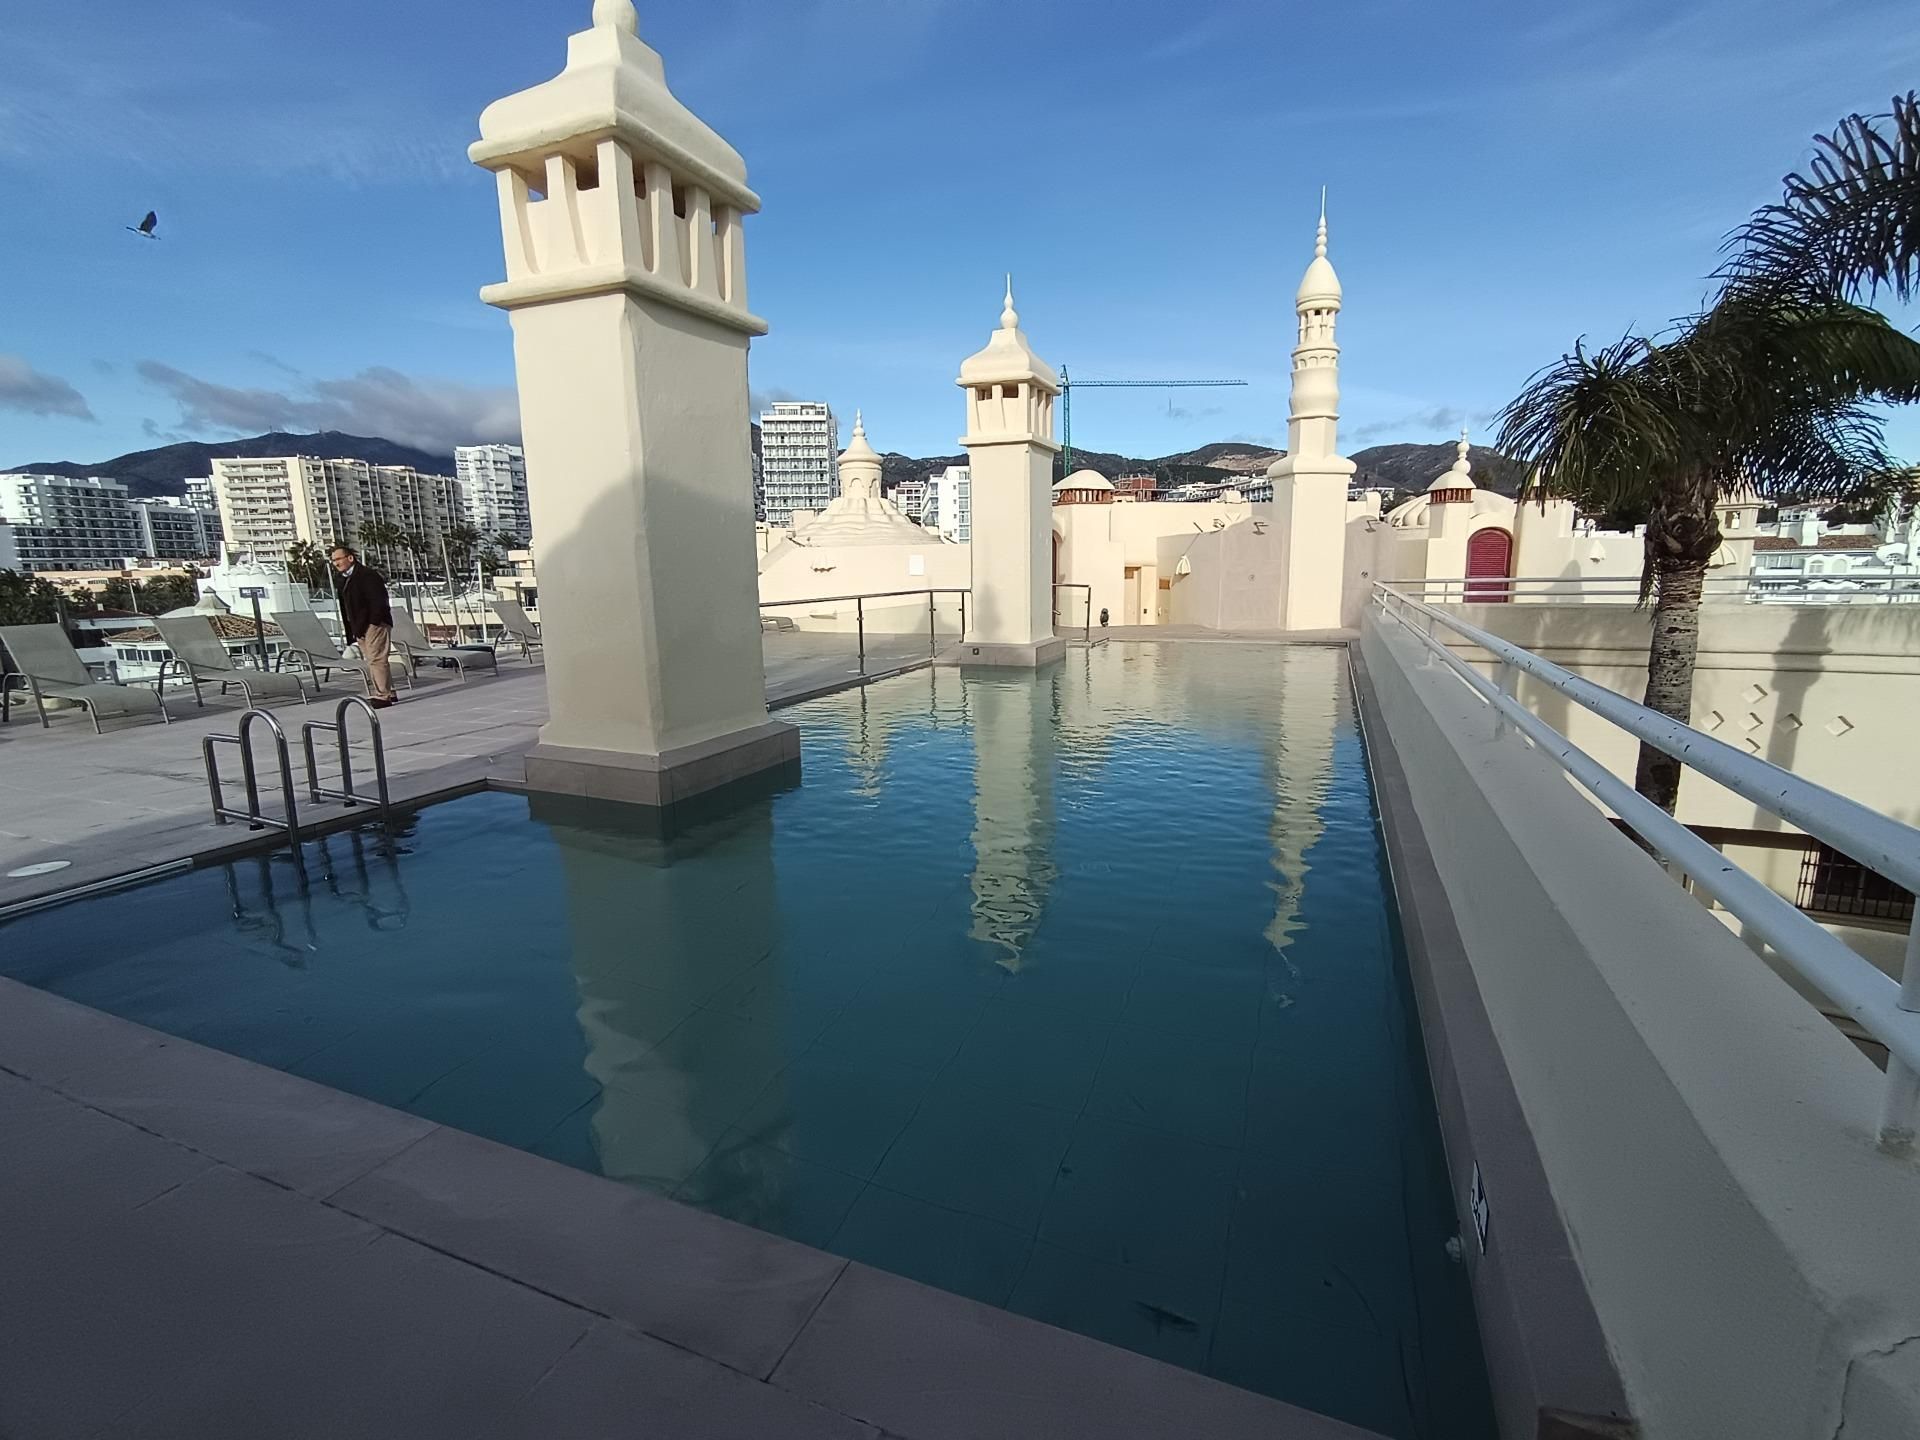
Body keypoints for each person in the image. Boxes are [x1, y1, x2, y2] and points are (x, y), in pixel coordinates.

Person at [330, 544, 397, 708]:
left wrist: (374, 622)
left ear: (350, 558)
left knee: (376, 659)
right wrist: (353, 631)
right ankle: (389, 691)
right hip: (360, 627)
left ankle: (383, 695)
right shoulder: (344, 579)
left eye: (338, 559)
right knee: (374, 660)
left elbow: (378, 600)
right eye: (333, 561)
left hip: (374, 624)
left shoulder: (367, 575)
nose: (336, 563)